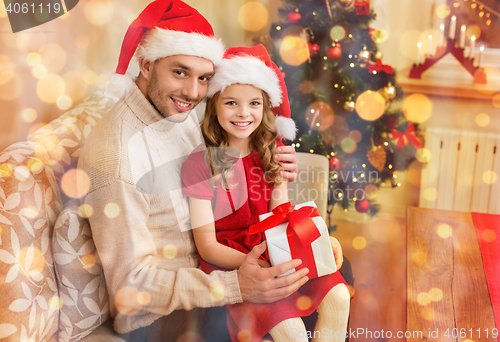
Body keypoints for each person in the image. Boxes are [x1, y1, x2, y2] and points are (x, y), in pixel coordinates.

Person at [77, 0, 338, 340]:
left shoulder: (175, 112)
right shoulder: (116, 157)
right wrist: (236, 285)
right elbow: (132, 287)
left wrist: (274, 159)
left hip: (213, 265)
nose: (193, 92)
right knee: (288, 308)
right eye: (180, 72)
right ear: (144, 64)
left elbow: (230, 146)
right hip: (167, 315)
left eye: (204, 79)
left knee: (329, 268)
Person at [181, 45, 350, 342]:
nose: (244, 113)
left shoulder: (271, 153)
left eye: (254, 104)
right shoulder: (200, 164)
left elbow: (280, 214)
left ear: (265, 106)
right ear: (214, 105)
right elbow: (207, 246)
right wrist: (258, 267)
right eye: (231, 102)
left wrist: (317, 240)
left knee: (339, 297)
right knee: (292, 332)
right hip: (232, 259)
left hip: (273, 247)